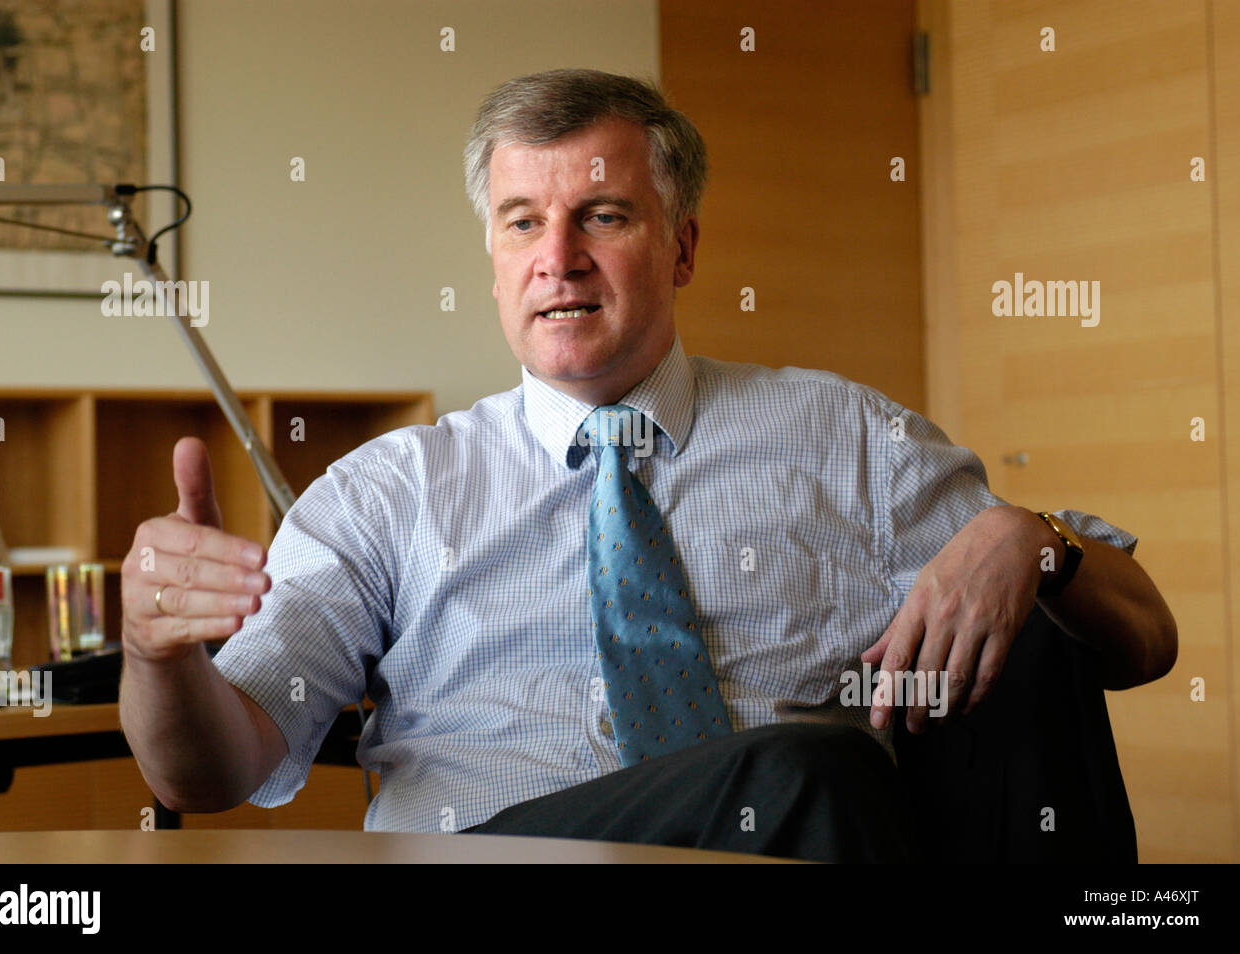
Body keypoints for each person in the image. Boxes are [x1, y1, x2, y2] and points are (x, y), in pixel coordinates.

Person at [119, 69, 1177, 862]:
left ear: (681, 249)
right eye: (522, 222)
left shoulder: (844, 438)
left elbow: (1144, 641)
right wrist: (157, 658)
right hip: (502, 858)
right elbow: (209, 769)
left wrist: (1037, 541)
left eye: (603, 217)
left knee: (1036, 631)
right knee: (810, 771)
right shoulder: (390, 492)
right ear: (492, 261)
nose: (558, 257)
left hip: (807, 850)